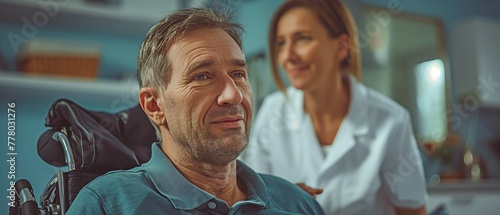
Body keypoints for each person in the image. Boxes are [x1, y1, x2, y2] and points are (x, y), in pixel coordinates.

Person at [66, 7, 325, 215]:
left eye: (238, 74)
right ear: (154, 105)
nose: (233, 94)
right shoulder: (107, 204)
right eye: (202, 76)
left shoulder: (298, 204)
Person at [241, 0, 428, 214]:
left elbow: (412, 210)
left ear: (341, 47)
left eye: (303, 38)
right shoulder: (273, 111)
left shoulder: (391, 121)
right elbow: (255, 200)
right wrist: (286, 195)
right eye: (281, 43)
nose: (287, 56)